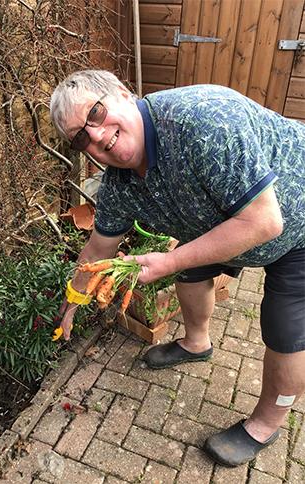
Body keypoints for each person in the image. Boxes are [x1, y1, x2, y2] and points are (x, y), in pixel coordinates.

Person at [50, 70, 305, 467]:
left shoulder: (203, 120)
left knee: (286, 327)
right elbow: (97, 249)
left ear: (123, 93)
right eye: (81, 138)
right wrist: (71, 304)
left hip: (297, 221)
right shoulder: (119, 185)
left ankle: (266, 423)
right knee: (189, 273)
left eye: (95, 114)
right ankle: (196, 344)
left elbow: (265, 222)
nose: (96, 136)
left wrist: (169, 260)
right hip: (223, 222)